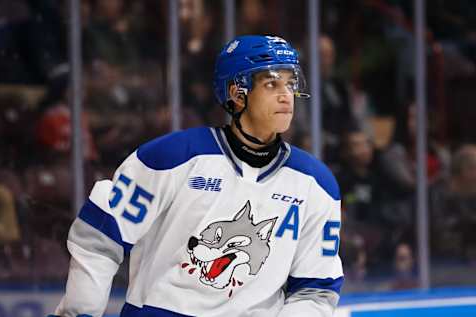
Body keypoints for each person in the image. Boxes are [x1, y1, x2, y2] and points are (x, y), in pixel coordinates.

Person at [52, 35, 344, 317]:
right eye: (271, 84)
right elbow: (101, 237)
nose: (286, 96)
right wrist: (80, 311)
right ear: (236, 94)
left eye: (290, 83)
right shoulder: (172, 157)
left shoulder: (316, 185)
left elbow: (315, 290)